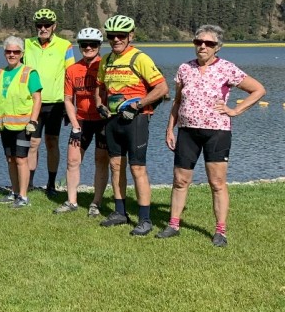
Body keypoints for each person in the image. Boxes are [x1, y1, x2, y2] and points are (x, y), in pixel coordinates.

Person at [161, 25, 266, 246]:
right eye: (198, 42)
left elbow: (258, 90)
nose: (202, 46)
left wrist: (235, 111)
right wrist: (170, 128)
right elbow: (178, 101)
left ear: (217, 47)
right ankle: (173, 225)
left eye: (208, 43)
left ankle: (220, 231)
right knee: (180, 180)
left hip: (217, 132)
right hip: (187, 132)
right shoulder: (184, 69)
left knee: (217, 182)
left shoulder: (227, 68)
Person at [95, 14, 168, 236]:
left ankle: (145, 219)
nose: (116, 39)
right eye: (112, 36)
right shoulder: (106, 60)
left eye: (121, 36)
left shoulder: (140, 59)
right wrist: (100, 105)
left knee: (137, 168)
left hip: (135, 120)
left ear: (130, 36)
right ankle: (120, 212)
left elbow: (162, 88)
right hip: (113, 120)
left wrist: (138, 105)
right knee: (115, 166)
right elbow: (100, 88)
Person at [54, 28, 109, 217]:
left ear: (99, 46)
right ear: (79, 46)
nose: (88, 48)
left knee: (101, 161)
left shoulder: (106, 66)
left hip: (102, 120)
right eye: (84, 45)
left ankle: (96, 202)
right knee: (72, 160)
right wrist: (75, 124)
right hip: (82, 120)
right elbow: (68, 99)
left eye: (93, 44)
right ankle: (71, 201)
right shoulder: (72, 69)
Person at [24, 8, 74, 198]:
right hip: (32, 103)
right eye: (39, 25)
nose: (43, 28)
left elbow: (70, 75)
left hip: (56, 103)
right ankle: (28, 183)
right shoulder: (27, 44)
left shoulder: (65, 45)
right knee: (33, 143)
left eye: (47, 25)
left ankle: (51, 184)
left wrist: (70, 107)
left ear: (54, 26)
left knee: (52, 142)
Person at [0, 36, 42, 208]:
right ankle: (15, 191)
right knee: (10, 159)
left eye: (16, 52)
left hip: (23, 125)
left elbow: (37, 98)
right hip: (4, 125)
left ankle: (24, 196)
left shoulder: (29, 73)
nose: (12, 54)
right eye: (8, 51)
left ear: (22, 53)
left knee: (21, 159)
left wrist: (33, 121)